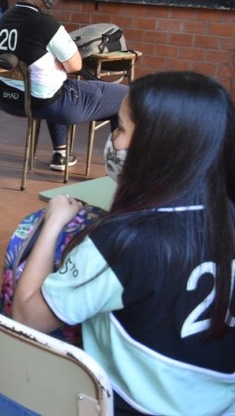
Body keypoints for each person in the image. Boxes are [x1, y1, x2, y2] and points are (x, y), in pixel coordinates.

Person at [12, 72, 235, 415]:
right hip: (219, 405)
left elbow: (28, 317)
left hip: (133, 407)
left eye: (119, 128)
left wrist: (53, 224)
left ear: (153, 148)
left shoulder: (121, 241)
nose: (113, 139)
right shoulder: (226, 217)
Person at [0, 0, 127, 171]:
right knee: (127, 97)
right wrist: (58, 60)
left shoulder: (5, 17)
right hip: (48, 103)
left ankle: (61, 154)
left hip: (10, 99)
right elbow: (75, 65)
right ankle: (122, 169)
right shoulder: (46, 23)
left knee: (53, 83)